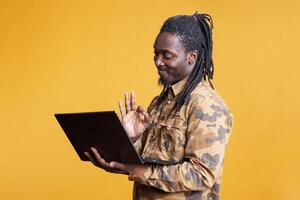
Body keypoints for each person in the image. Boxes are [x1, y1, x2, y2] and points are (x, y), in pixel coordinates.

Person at [84, 12, 233, 200]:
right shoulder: (159, 102)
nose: (157, 62)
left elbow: (201, 175)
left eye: (167, 56)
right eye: (156, 53)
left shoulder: (206, 105)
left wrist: (141, 171)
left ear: (192, 57)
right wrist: (133, 138)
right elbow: (149, 164)